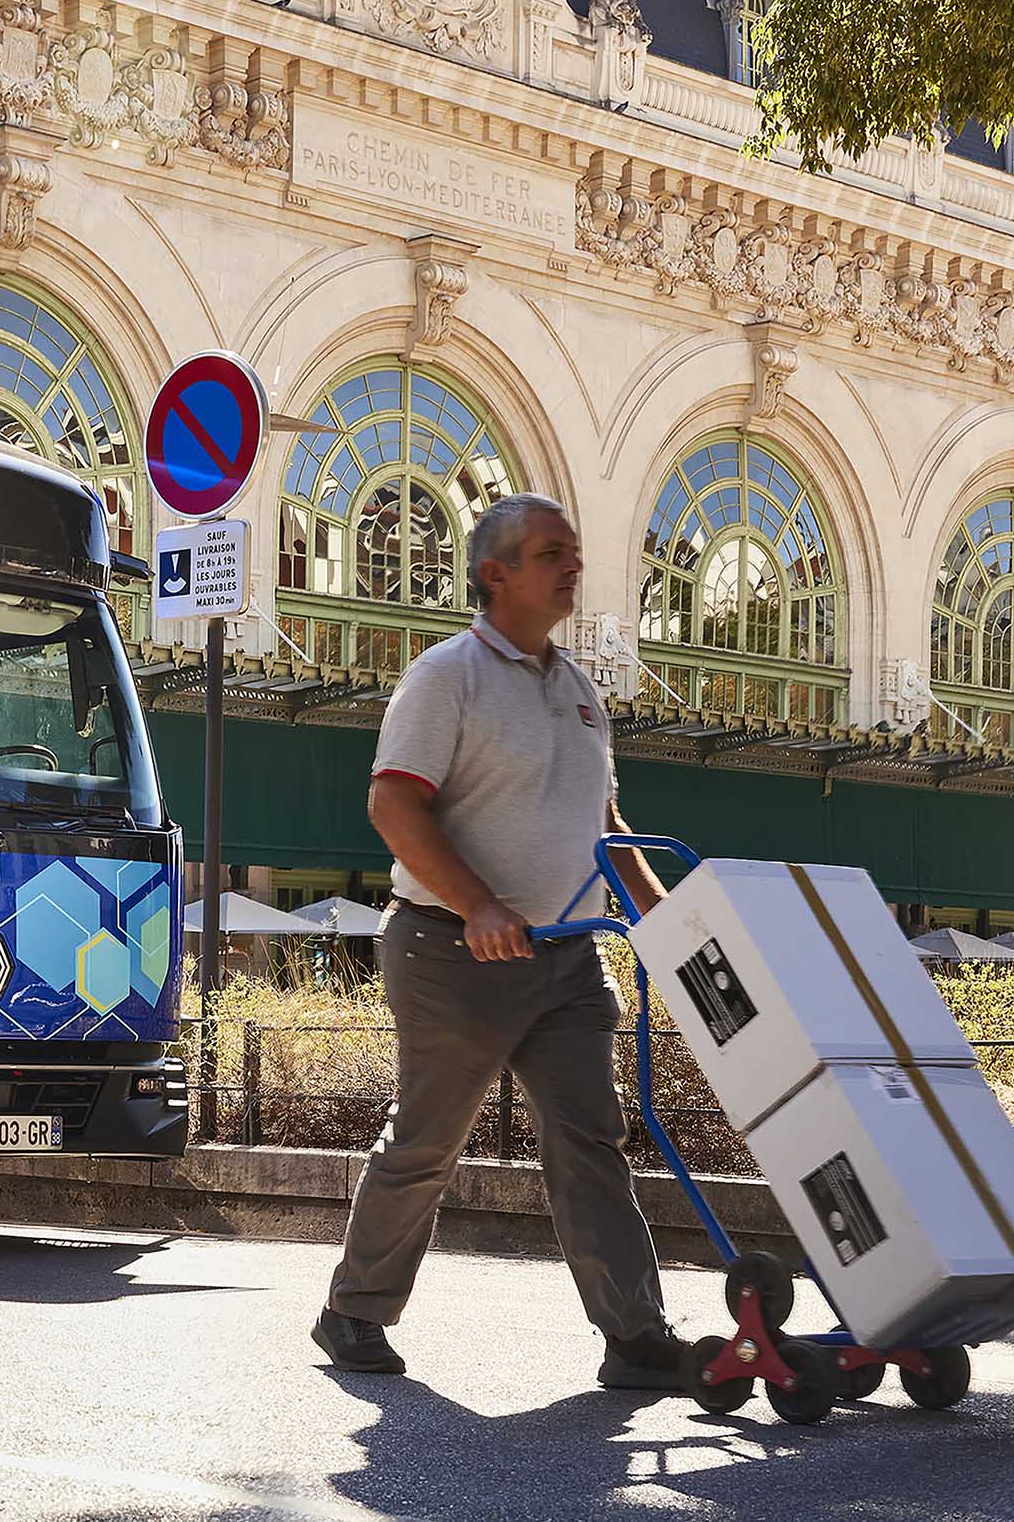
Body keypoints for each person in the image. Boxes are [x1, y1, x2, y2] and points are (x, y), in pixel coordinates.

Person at [310, 493, 685, 1389]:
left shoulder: (581, 689)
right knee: (429, 1140)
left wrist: (672, 924)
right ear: (496, 573)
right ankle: (353, 1310)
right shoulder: (448, 675)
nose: (573, 567)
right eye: (553, 552)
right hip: (450, 951)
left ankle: (635, 1337)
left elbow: (605, 822)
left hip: (567, 953)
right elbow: (392, 802)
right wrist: (478, 904)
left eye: (574, 551)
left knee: (590, 1139)